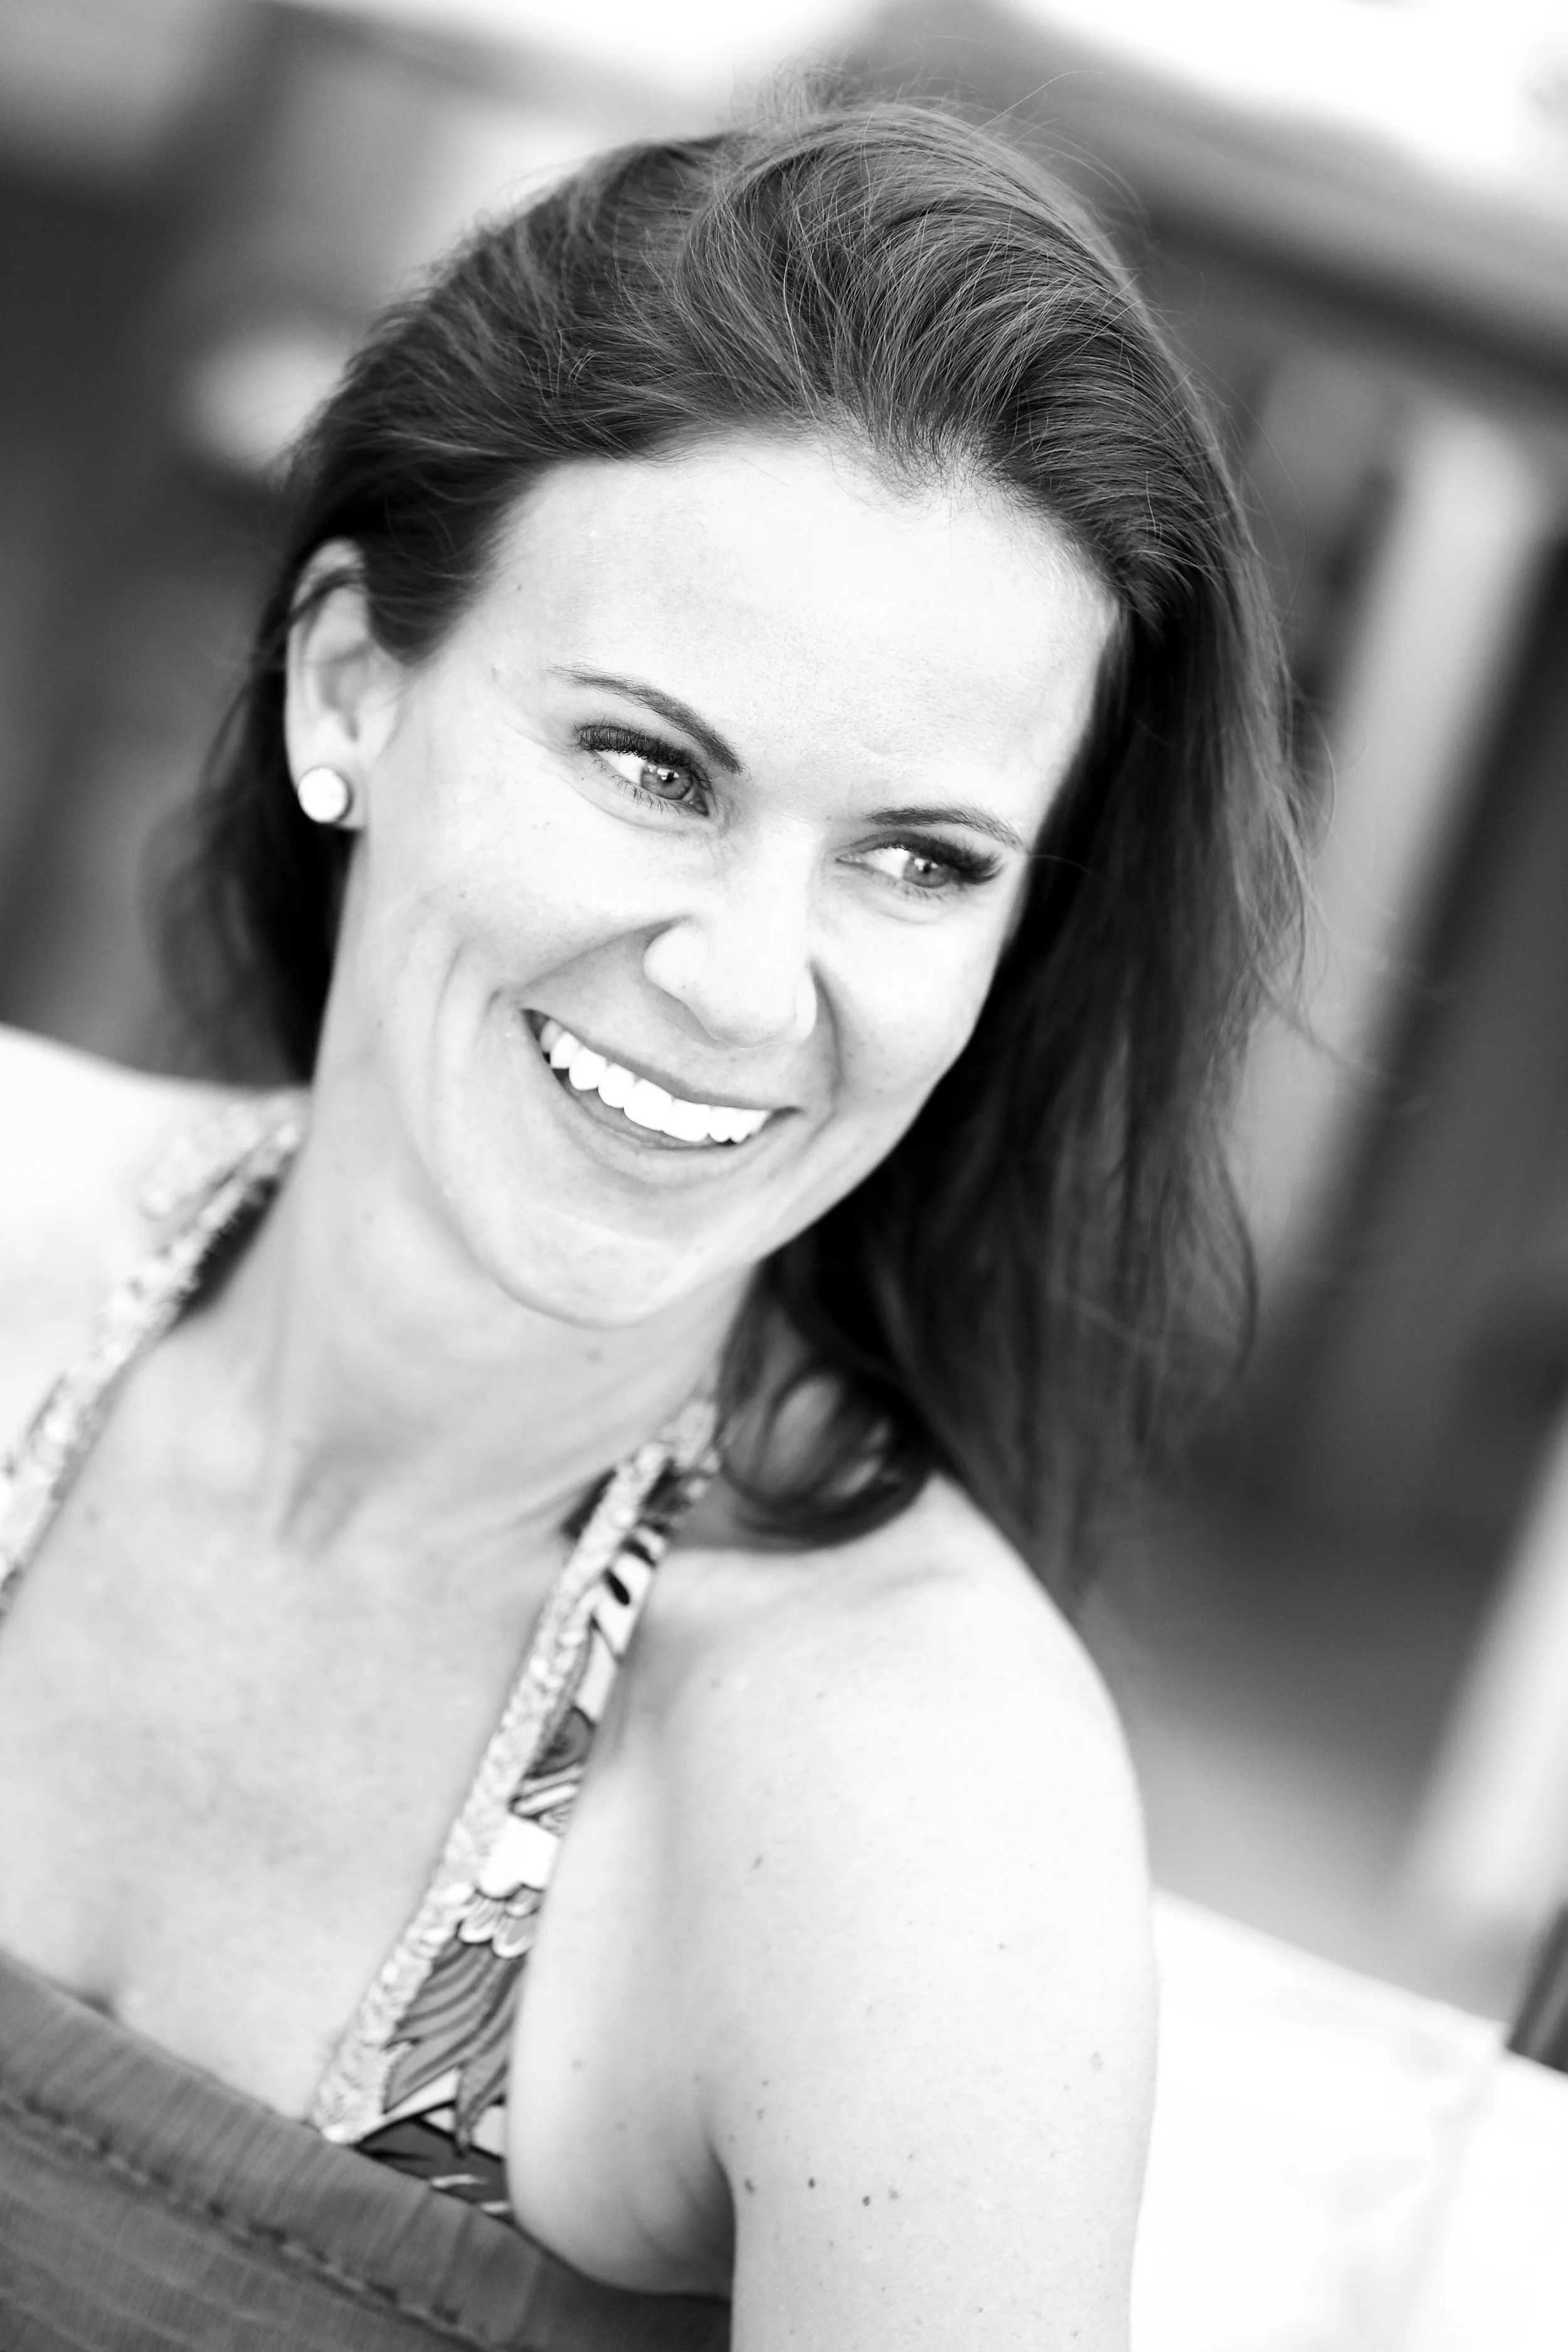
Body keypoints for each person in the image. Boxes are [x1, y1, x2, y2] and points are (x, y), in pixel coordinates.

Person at [0, 97, 1298, 2351]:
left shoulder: (909, 1813)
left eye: (916, 856)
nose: (738, 976)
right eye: (648, 762)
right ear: (347, 686)